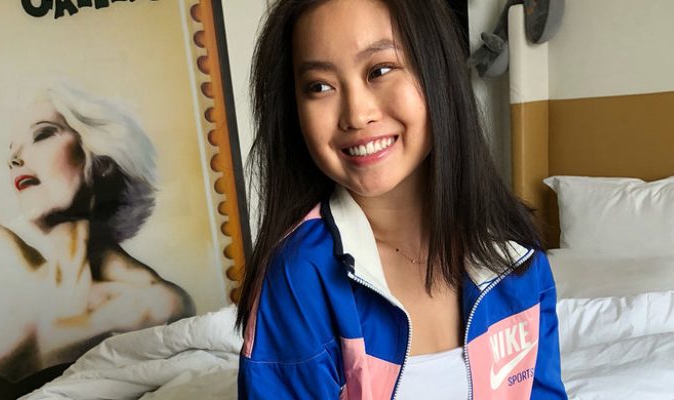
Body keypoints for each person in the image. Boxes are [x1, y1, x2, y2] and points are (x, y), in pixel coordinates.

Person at [237, 0, 567, 398]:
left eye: (379, 70)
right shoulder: (299, 274)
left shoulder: (513, 248)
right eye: (319, 86)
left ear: (437, 73)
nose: (356, 115)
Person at [0, 83, 195, 388]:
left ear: (101, 161)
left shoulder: (156, 304)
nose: (14, 158)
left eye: (41, 134)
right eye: (11, 149)